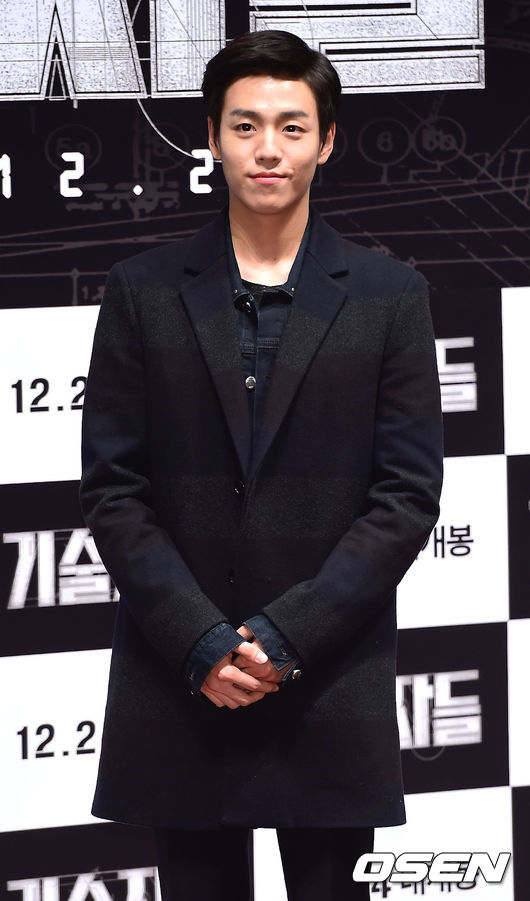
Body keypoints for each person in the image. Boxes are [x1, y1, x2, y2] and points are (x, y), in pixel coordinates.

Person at [80, 29, 443, 901]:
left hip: (329, 679)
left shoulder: (391, 296)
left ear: (327, 141)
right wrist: (202, 642)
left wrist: (286, 639)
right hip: (182, 680)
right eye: (245, 126)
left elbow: (405, 495)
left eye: (291, 126)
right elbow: (115, 490)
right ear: (212, 137)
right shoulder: (142, 289)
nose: (267, 148)